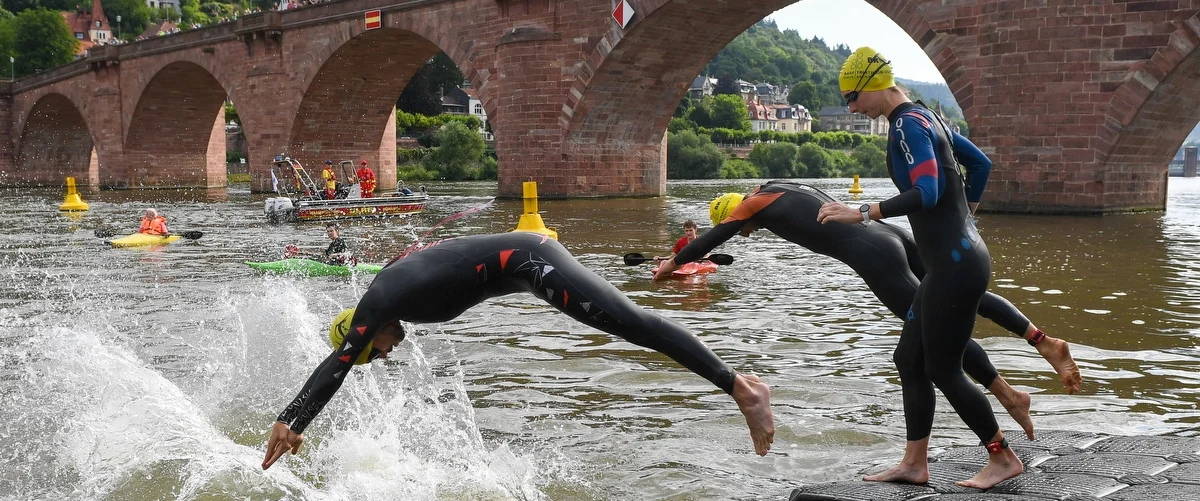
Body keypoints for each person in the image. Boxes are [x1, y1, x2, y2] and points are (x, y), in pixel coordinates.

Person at [261, 232, 775, 470]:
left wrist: (292, 419)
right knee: (629, 326)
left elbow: (337, 366)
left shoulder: (378, 302)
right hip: (527, 263)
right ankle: (737, 386)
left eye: (375, 353)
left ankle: (741, 388)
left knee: (632, 325)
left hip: (531, 260)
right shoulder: (390, 297)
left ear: (362, 331)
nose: (386, 356)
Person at [816, 47, 1019, 488]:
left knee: (943, 368)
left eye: (853, 97)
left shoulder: (907, 125)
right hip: (955, 258)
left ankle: (1002, 458)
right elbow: (979, 164)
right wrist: (966, 214)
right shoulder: (930, 118)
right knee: (909, 359)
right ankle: (914, 464)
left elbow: (926, 191)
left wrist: (862, 212)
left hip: (954, 265)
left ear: (874, 83)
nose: (852, 107)